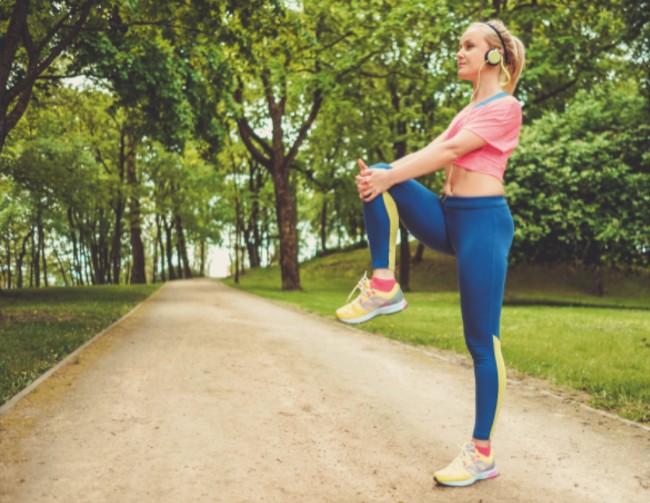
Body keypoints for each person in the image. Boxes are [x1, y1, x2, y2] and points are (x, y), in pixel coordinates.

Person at [336, 19, 526, 487]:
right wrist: (387, 175)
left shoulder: (506, 106)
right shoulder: (467, 109)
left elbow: (452, 152)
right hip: (449, 216)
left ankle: (481, 452)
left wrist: (392, 175)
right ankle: (384, 284)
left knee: (481, 341)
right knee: (380, 174)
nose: (458, 52)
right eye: (458, 44)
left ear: (494, 57)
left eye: (468, 45)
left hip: (484, 223)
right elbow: (436, 148)